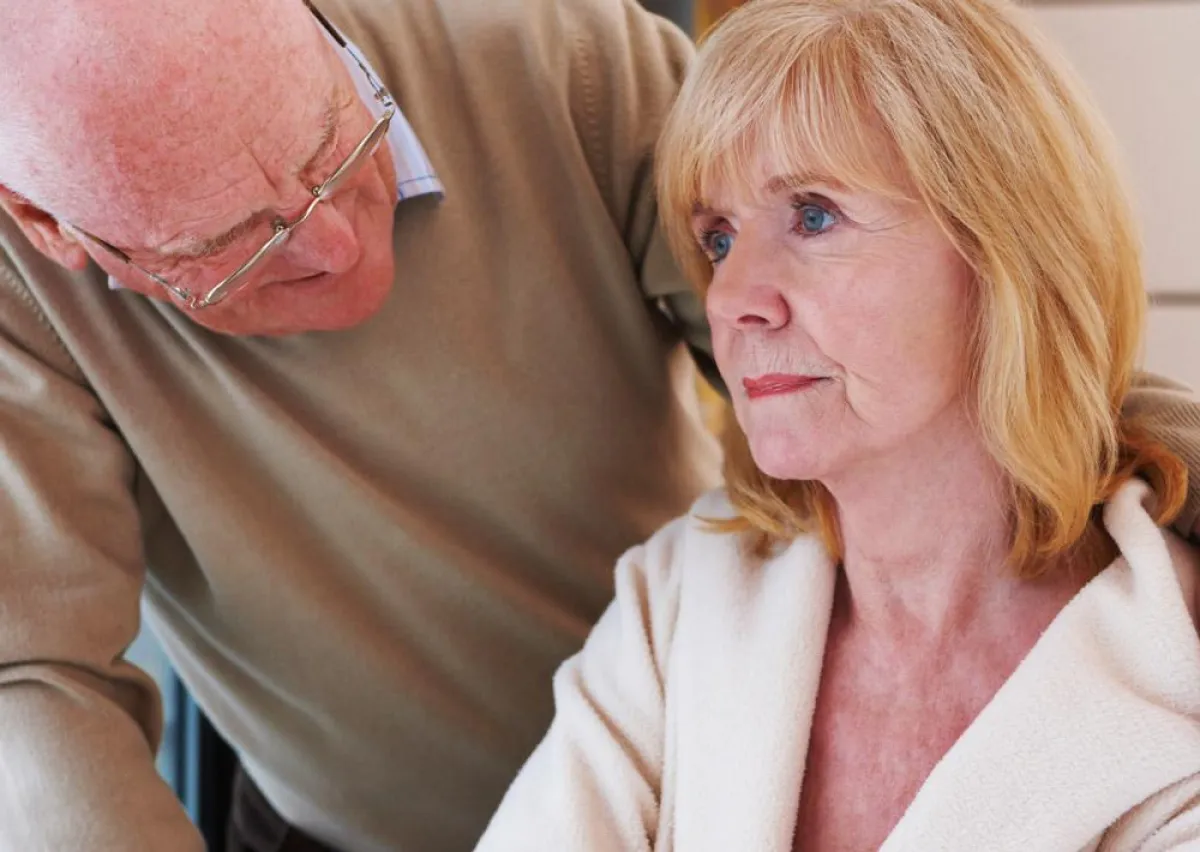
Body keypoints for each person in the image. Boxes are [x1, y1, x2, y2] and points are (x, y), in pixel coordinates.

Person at [0, 1, 1194, 851]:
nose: (337, 244)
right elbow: (31, 680)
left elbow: (916, 365)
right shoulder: (680, 616)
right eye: (236, 247)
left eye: (337, 150)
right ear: (56, 234)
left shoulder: (566, 61)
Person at [474, 1, 1200, 850]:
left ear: (1009, 248)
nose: (732, 299)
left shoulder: (1175, 670)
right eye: (718, 238)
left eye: (814, 215)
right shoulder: (681, 597)